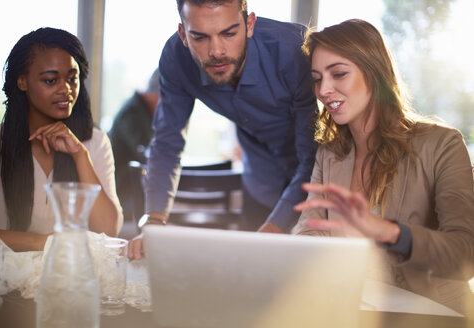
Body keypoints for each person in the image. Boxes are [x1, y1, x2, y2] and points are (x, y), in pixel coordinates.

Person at [292, 19, 474, 314]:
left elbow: (466, 254)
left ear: (374, 72)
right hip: (355, 311)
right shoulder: (330, 153)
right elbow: (309, 231)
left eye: (338, 74)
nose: (324, 90)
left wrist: (390, 232)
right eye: (316, 79)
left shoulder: (442, 144)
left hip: (434, 314)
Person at [128, 0, 318, 258]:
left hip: (315, 185)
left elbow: (312, 156)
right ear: (183, 34)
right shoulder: (176, 58)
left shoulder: (294, 51)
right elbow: (166, 144)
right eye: (200, 37)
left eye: (229, 33)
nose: (216, 51)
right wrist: (154, 221)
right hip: (260, 181)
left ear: (249, 24)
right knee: (247, 282)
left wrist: (276, 226)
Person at [0, 27, 123, 252]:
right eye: (50, 80)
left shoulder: (94, 142)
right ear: (22, 82)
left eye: (72, 79)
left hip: (68, 278)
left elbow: (108, 230)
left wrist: (80, 155)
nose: (66, 90)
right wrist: (46, 243)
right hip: (0, 280)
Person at [108, 68, 160, 221]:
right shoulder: (132, 113)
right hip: (122, 194)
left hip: (133, 190)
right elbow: (147, 153)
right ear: (157, 96)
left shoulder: (141, 110)